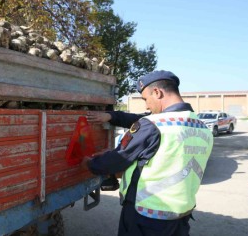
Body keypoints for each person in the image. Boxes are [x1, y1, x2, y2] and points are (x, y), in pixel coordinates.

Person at [81, 70, 213, 236]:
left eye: (145, 99)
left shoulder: (154, 124)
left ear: (157, 92)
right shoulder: (201, 127)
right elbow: (160, 156)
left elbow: (118, 159)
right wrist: (111, 116)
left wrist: (90, 164)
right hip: (181, 214)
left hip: (147, 215)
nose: (146, 105)